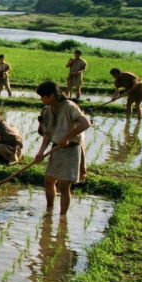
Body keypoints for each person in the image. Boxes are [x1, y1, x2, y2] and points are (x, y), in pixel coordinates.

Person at [34, 81, 90, 215]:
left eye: (43, 96)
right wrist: (40, 152)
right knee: (49, 180)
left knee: (64, 185)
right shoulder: (47, 110)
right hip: (57, 148)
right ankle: (50, 209)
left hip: (71, 149)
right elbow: (47, 134)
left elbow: (85, 123)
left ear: (52, 95)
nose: (41, 99)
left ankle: (62, 217)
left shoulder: (70, 106)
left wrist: (67, 137)